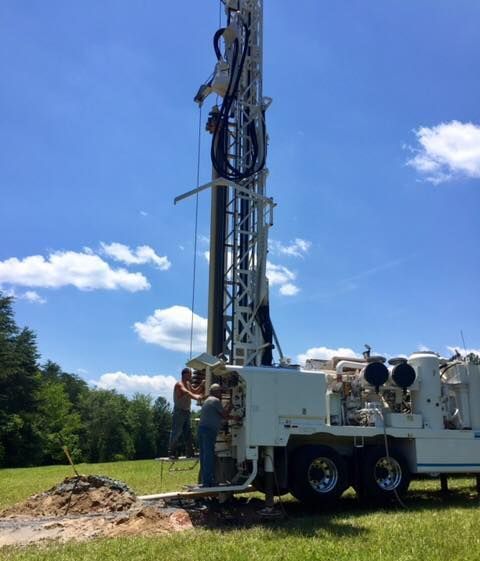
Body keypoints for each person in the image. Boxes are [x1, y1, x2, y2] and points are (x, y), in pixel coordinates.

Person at [198, 383, 230, 487]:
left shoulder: (208, 400)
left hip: (202, 430)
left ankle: (205, 480)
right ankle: (208, 482)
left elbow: (219, 415)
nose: (221, 394)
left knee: (204, 456)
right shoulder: (215, 401)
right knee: (209, 456)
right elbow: (225, 415)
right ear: (216, 392)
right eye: (220, 391)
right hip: (209, 431)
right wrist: (231, 406)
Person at [168, 367, 203, 458]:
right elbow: (187, 393)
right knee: (176, 432)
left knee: (188, 433)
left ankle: (190, 453)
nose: (191, 376)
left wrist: (202, 385)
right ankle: (172, 453)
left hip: (186, 412)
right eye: (190, 374)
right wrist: (196, 397)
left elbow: (194, 391)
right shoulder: (179, 385)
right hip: (179, 412)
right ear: (185, 375)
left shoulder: (187, 383)